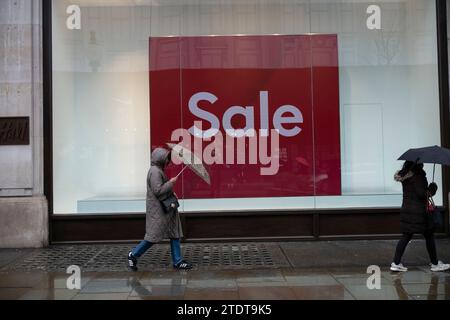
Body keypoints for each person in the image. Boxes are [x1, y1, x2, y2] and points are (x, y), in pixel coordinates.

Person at [128, 148, 192, 271]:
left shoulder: (158, 170)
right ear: (160, 158)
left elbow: (161, 189)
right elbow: (158, 191)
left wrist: (172, 192)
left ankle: (177, 261)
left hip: (167, 209)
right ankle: (133, 255)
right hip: (159, 210)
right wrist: (171, 183)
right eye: (166, 158)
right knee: (153, 236)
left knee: (174, 234)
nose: (168, 160)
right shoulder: (155, 171)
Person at [391, 160, 450, 272]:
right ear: (418, 165)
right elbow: (422, 194)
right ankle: (435, 264)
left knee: (407, 236)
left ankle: (396, 262)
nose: (423, 164)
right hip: (419, 213)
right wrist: (432, 188)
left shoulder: (406, 175)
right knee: (429, 236)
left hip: (407, 210)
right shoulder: (418, 176)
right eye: (422, 163)